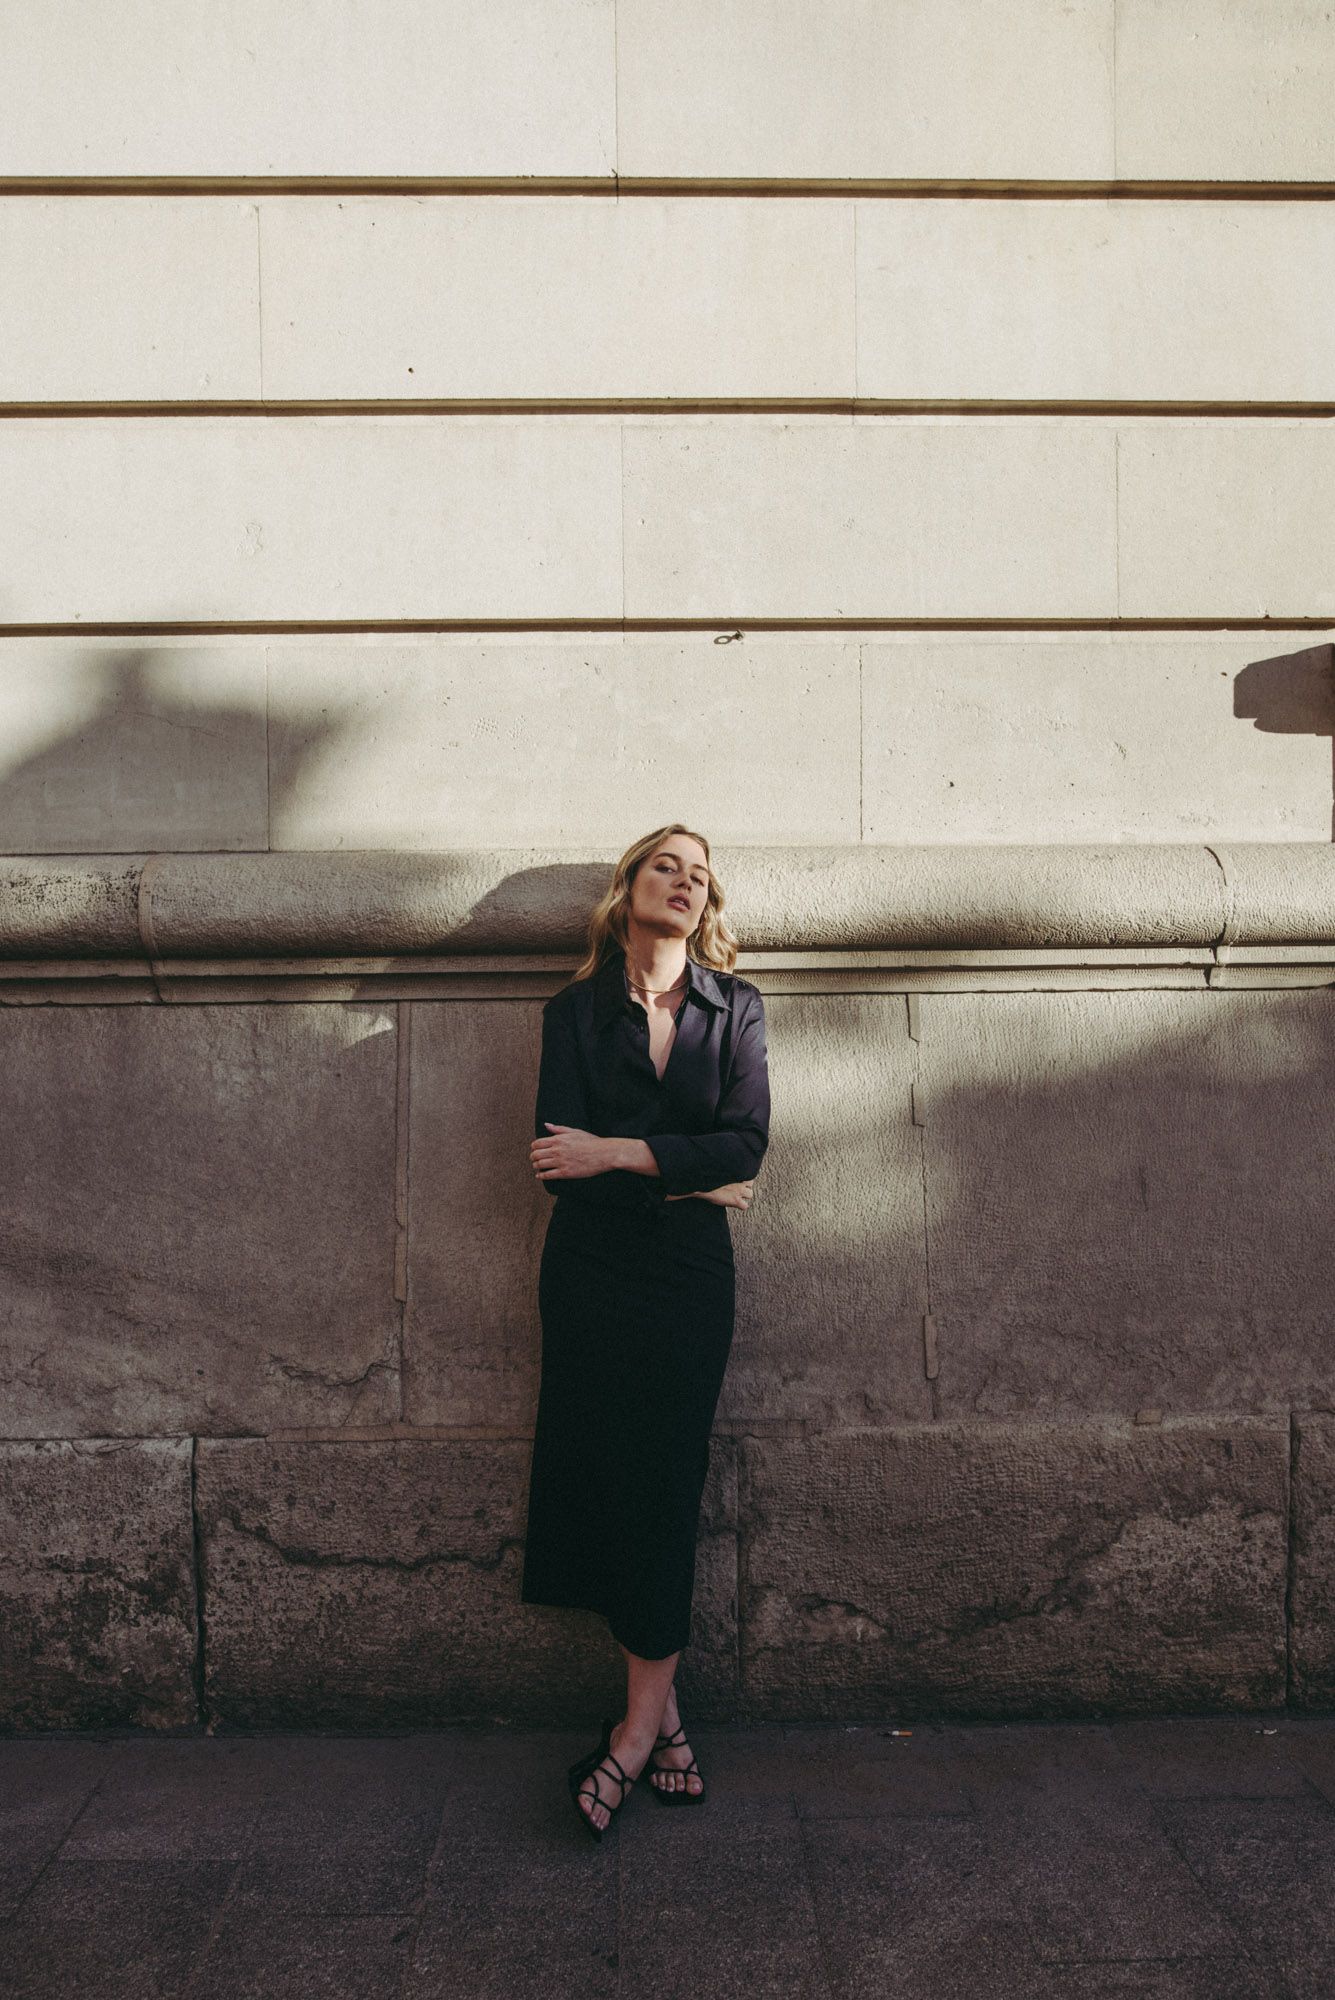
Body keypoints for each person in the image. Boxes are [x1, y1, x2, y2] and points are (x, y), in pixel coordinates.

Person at [522, 822, 771, 1839]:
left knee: (665, 1477)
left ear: (707, 905)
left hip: (686, 1282)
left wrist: (619, 1151)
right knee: (600, 1475)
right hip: (590, 1275)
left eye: (699, 874)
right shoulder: (573, 1011)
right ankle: (660, 1724)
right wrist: (687, 1171)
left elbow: (746, 1145)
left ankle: (629, 1738)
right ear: (628, 887)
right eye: (666, 865)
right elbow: (556, 1158)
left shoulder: (735, 1007)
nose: (684, 881)